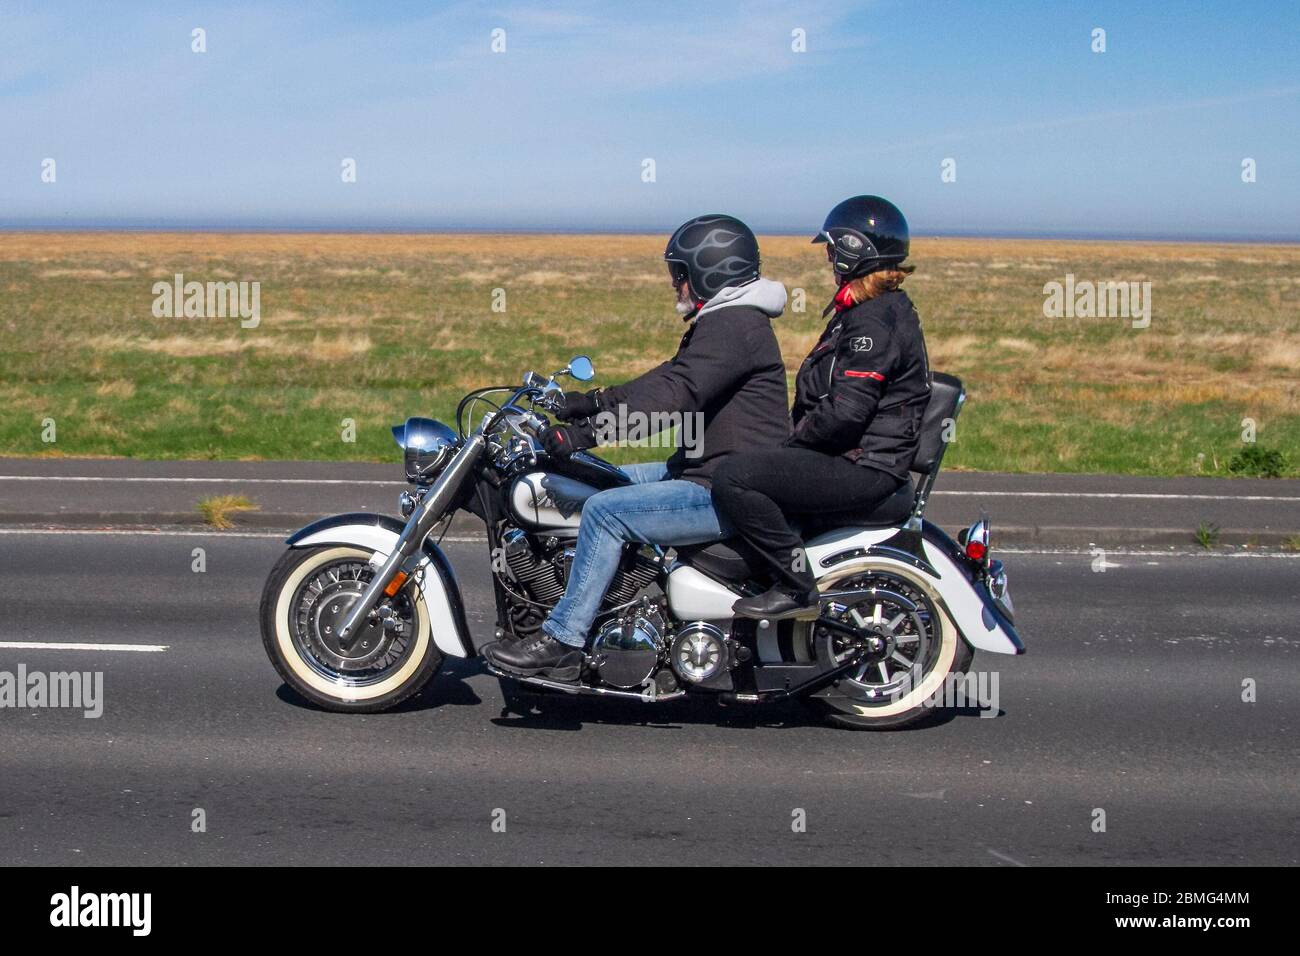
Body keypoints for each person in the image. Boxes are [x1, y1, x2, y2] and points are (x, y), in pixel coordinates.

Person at [484, 214, 791, 679]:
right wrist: (586, 403)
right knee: (606, 477)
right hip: (706, 471)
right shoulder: (727, 320)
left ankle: (565, 637)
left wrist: (585, 433)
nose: (675, 284)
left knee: (605, 510)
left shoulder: (736, 326)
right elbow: (666, 379)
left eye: (680, 273)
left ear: (710, 271)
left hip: (725, 488)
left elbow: (674, 399)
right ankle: (611, 599)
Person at [710, 195, 932, 620]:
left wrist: (790, 444)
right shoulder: (873, 308)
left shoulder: (872, 319)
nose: (829, 257)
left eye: (834, 248)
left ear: (854, 250)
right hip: (868, 459)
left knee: (736, 478)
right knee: (756, 466)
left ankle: (796, 587)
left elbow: (847, 412)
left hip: (867, 467)